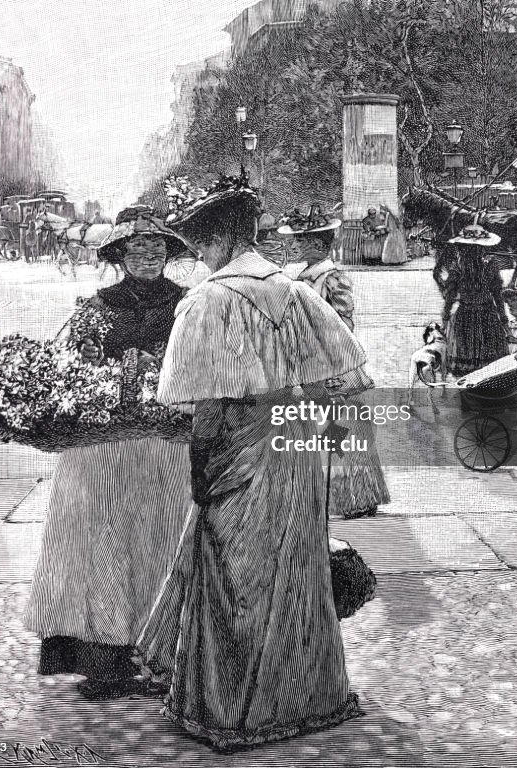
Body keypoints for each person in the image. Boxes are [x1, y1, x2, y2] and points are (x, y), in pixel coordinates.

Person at [135, 174, 371, 751]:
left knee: (234, 580)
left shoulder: (206, 301)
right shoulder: (297, 293)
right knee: (295, 572)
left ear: (216, 241)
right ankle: (310, 700)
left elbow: (198, 402)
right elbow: (348, 379)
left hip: (237, 449)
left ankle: (234, 713)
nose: (198, 258)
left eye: (199, 246)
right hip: (295, 450)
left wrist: (202, 471)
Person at [23, 205, 193, 700]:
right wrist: (107, 369)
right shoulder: (94, 307)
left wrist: (159, 369)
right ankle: (104, 662)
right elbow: (70, 371)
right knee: (96, 545)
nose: (147, 253)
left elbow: (204, 366)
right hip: (102, 449)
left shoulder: (189, 304)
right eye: (136, 247)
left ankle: (162, 655)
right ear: (119, 255)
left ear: (169, 252)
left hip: (165, 446)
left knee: (159, 543)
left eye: (156, 246)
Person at [278, 205, 390, 519]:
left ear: (318, 244)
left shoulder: (331, 278)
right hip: (315, 365)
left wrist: (329, 361)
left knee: (345, 427)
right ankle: (341, 495)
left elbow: (343, 324)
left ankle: (356, 496)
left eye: (302, 240)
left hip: (335, 366)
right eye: (298, 240)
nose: (296, 245)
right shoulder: (302, 279)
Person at [441, 221, 509, 377]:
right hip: (487, 314)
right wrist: (503, 319)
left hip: (466, 314)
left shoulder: (456, 267)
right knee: (491, 364)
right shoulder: (490, 265)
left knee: (467, 363)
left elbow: (450, 295)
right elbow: (497, 295)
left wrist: (445, 316)